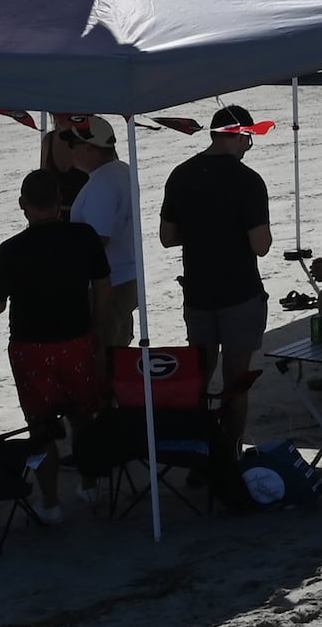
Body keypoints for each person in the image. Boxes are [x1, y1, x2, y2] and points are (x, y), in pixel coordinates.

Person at [159, 105, 276, 501]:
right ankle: (229, 454)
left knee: (199, 378)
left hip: (199, 291)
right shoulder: (248, 181)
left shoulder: (181, 175)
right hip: (239, 291)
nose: (249, 144)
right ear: (237, 134)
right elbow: (260, 245)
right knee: (236, 380)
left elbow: (167, 236)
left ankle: (201, 453)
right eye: (249, 137)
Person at [0, 164, 113, 517]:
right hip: (76, 340)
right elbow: (103, 285)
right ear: (60, 203)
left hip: (31, 347)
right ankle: (89, 486)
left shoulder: (9, 250)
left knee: (40, 428)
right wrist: (99, 327)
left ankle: (51, 502)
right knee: (83, 416)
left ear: (22, 204)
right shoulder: (84, 236)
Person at [58, 115, 143, 354]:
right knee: (117, 352)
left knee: (104, 357)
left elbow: (97, 241)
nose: (70, 151)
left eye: (73, 145)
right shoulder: (120, 171)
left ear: (89, 148)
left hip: (108, 285)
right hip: (122, 278)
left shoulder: (103, 183)